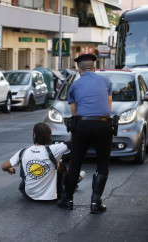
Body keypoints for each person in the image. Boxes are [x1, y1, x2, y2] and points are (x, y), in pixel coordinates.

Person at [57, 54, 113, 214]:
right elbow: (108, 108)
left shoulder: (74, 86)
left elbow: (74, 113)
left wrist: (74, 135)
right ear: (94, 68)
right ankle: (96, 202)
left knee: (75, 162)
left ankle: (67, 199)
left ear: (78, 70)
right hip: (103, 124)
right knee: (103, 162)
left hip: (82, 123)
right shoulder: (106, 82)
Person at [1, 122, 85, 201]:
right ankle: (72, 183)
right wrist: (73, 128)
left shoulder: (23, 152)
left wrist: (9, 169)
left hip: (29, 195)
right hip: (52, 196)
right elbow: (72, 142)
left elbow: (4, 166)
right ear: (49, 136)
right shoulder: (54, 149)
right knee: (60, 165)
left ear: (34, 135)